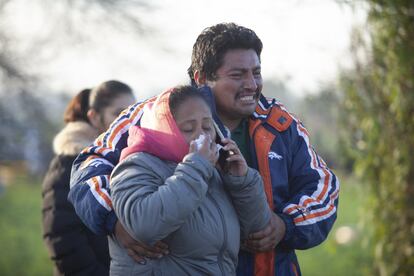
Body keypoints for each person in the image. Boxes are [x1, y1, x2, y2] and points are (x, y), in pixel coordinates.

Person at [69, 23, 339, 276]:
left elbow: (323, 188)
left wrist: (285, 225)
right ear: (201, 79)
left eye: (256, 72)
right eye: (237, 74)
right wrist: (115, 222)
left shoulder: (282, 125)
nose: (252, 84)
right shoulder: (152, 116)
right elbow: (88, 166)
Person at [109, 85, 271, 275]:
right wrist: (197, 167)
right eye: (188, 128)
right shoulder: (137, 165)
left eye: (207, 126)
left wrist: (241, 181)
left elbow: (255, 227)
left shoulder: (211, 169)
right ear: (165, 130)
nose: (201, 135)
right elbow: (144, 225)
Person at [42, 80, 136, 276]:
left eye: (132, 113)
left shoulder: (129, 158)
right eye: (118, 114)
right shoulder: (68, 164)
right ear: (94, 117)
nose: (127, 122)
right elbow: (63, 239)